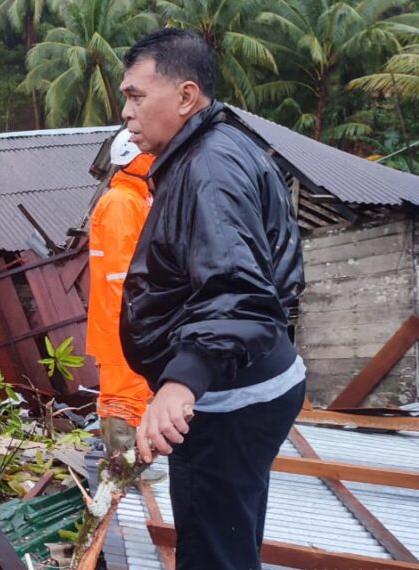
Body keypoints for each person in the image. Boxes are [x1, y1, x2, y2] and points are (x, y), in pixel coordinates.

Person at [118, 28, 305, 570]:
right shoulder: (214, 150)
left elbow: (239, 288)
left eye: (135, 96)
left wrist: (182, 380)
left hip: (228, 399)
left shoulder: (208, 170)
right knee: (231, 534)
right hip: (252, 380)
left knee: (210, 552)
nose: (126, 113)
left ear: (184, 95)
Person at [84, 129, 157, 463]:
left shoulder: (135, 199)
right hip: (123, 322)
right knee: (123, 396)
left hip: (130, 319)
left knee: (135, 392)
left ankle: (132, 460)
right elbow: (121, 275)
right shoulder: (120, 203)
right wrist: (142, 319)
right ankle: (125, 462)